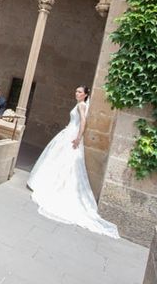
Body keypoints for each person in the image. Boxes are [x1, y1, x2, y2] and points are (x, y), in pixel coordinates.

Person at [27, 85, 119, 238]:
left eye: (79, 92)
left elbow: (83, 122)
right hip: (69, 131)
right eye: (76, 91)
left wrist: (78, 137)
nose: (76, 93)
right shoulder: (80, 104)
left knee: (64, 162)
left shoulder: (82, 105)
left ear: (85, 95)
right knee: (60, 160)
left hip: (72, 136)